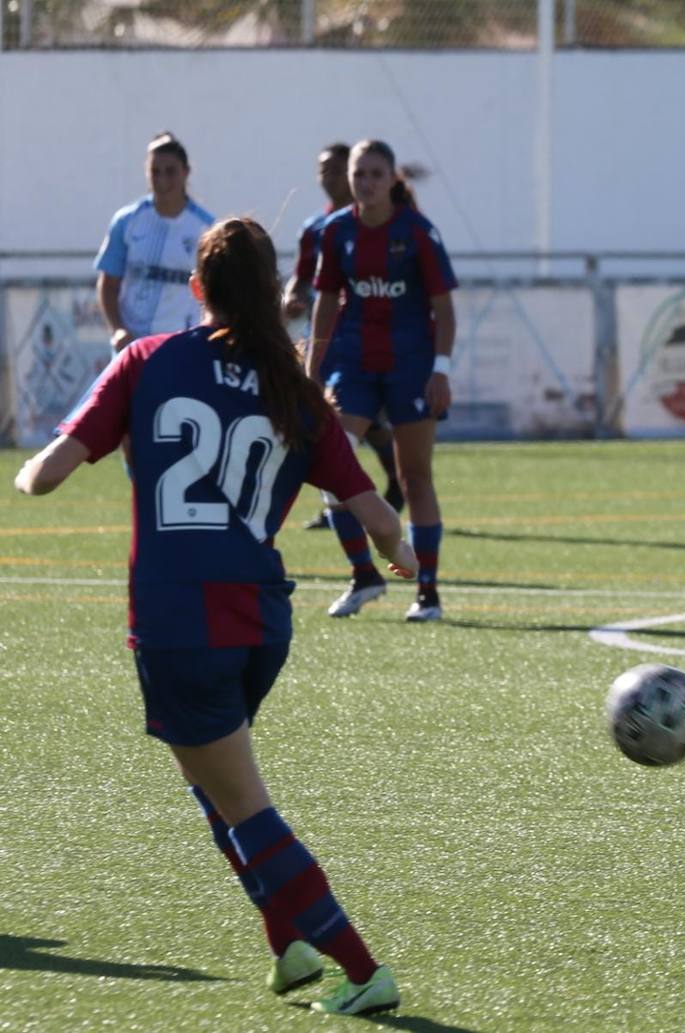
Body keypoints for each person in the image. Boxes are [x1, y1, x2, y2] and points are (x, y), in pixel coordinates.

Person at [15, 217, 415, 1015]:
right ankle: (287, 944)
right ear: (273, 293)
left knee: (243, 801)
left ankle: (363, 970)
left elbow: (44, 479)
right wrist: (400, 555)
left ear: (196, 290)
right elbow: (376, 518)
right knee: (213, 781)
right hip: (261, 620)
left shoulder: (148, 360)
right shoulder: (296, 389)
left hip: (178, 622)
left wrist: (33, 464)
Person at [307, 139, 457, 623]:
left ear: (392, 179)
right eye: (359, 174)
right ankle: (364, 574)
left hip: (411, 366)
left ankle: (427, 592)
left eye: (375, 173)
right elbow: (326, 302)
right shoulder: (336, 231)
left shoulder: (416, 233)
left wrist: (441, 369)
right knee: (331, 462)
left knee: (414, 478)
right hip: (353, 365)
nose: (366, 182)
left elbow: (443, 307)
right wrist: (312, 370)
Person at [284, 142, 404, 529]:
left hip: (366, 336)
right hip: (327, 336)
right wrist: (292, 297)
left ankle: (396, 487)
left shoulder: (383, 223)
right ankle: (349, 499)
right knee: (343, 423)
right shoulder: (315, 229)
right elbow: (302, 280)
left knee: (360, 421)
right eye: (323, 171)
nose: (328, 178)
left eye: (335, 170)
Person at [95, 132, 214, 352]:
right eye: (155, 172)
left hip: (182, 346)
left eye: (170, 172)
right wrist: (118, 329)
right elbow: (108, 285)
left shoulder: (206, 228)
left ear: (186, 172)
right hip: (134, 347)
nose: (162, 180)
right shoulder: (127, 221)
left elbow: (216, 293)